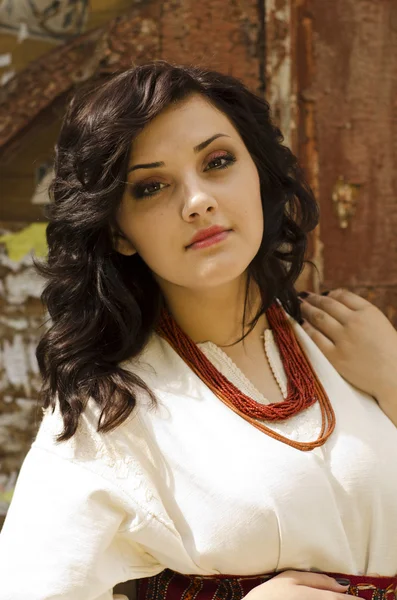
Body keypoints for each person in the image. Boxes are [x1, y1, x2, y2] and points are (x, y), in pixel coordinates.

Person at [0, 60, 396, 600]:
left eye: (218, 161)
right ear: (119, 232)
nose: (198, 201)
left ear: (257, 171)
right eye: (152, 186)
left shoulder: (353, 340)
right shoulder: (109, 412)